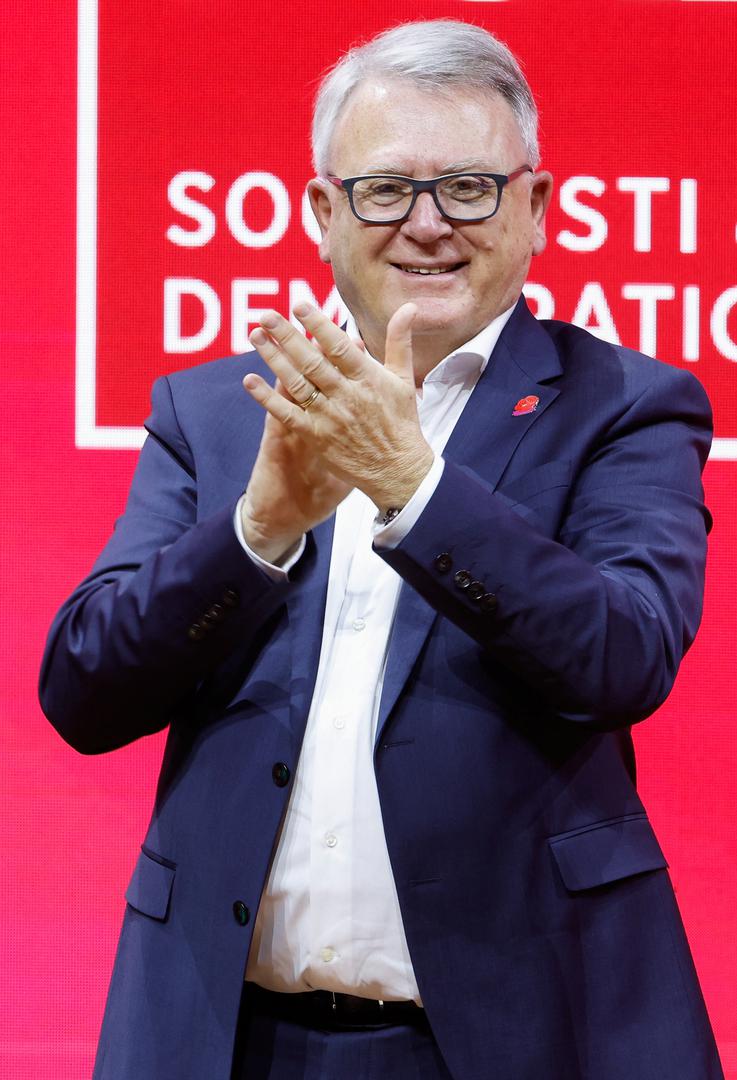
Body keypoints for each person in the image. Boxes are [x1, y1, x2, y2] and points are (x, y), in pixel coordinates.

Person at [40, 19, 724, 1080]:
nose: (428, 224)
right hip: (225, 1035)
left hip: (515, 1033)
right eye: (385, 190)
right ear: (323, 212)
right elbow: (84, 692)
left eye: (469, 188)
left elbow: (620, 657)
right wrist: (257, 531)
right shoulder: (215, 413)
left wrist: (413, 487)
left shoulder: (624, 406)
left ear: (535, 208)